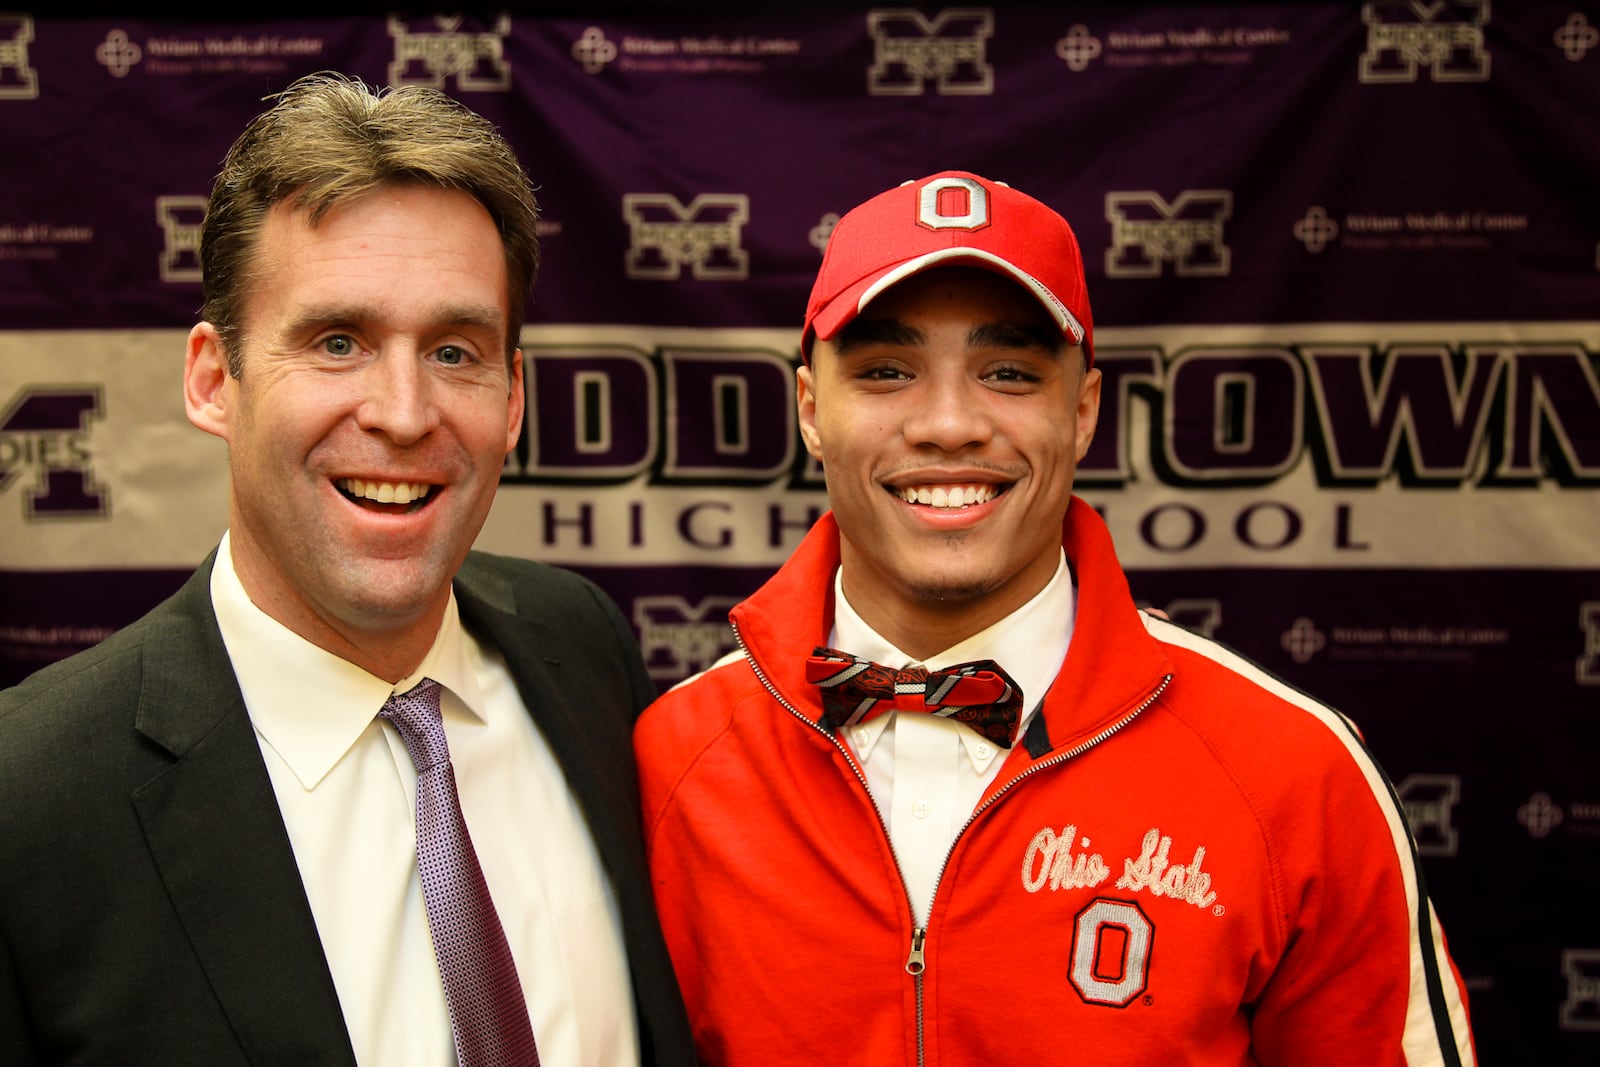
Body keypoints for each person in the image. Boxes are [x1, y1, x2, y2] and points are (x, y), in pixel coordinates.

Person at [634, 171, 1475, 1065]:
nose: (949, 424)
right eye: (886, 370)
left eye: (1007, 373)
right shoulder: (669, 759)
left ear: (1082, 412)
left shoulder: (1295, 773)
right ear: (811, 409)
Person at [0, 73, 694, 1067]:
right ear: (212, 379)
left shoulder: (579, 642)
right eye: (337, 342)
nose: (403, 412)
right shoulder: (30, 794)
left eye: (456, 350)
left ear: (512, 400)